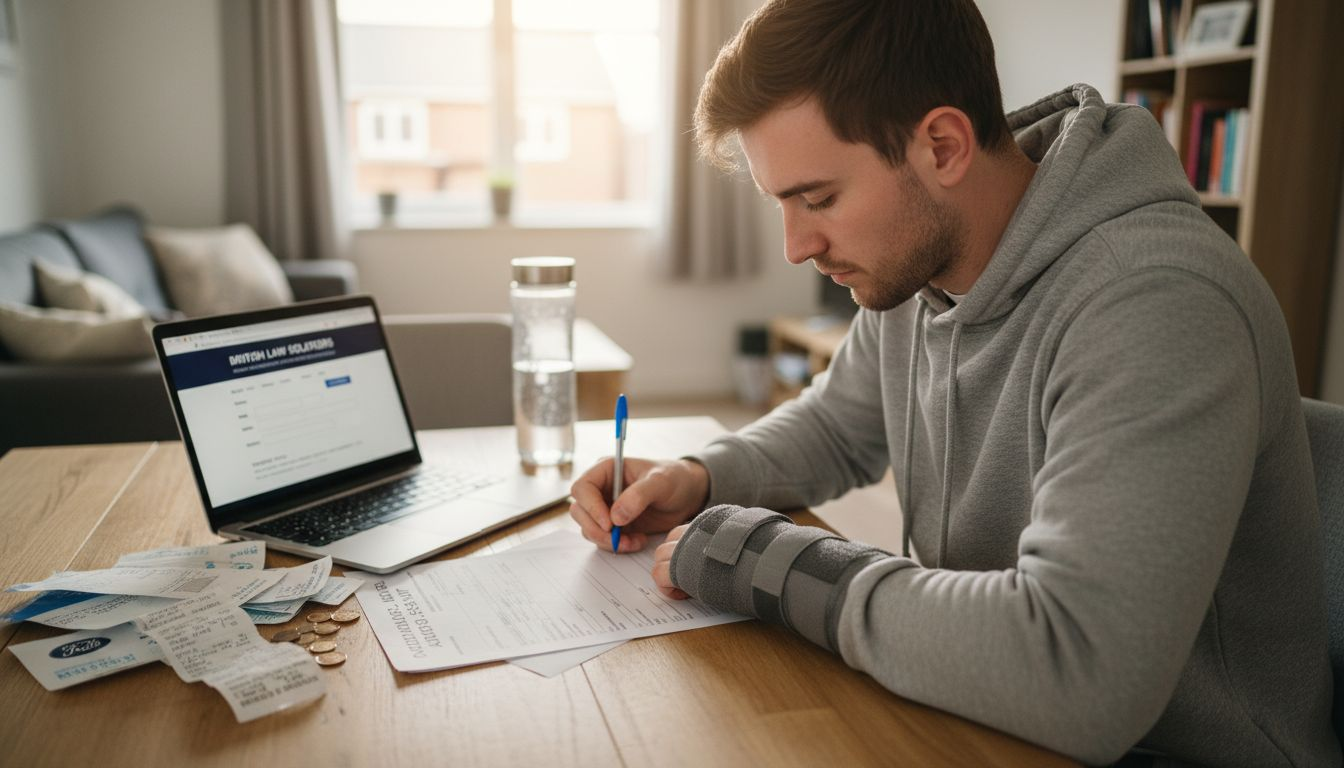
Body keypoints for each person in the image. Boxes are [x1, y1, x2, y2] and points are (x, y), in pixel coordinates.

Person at [568, 0, 1339, 765]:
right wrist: (698, 476)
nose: (796, 247)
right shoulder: (923, 266)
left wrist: (768, 561)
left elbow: (1077, 670)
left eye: (819, 198)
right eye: (781, 204)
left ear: (941, 145)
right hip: (991, 711)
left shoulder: (1156, 302)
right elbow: (839, 424)